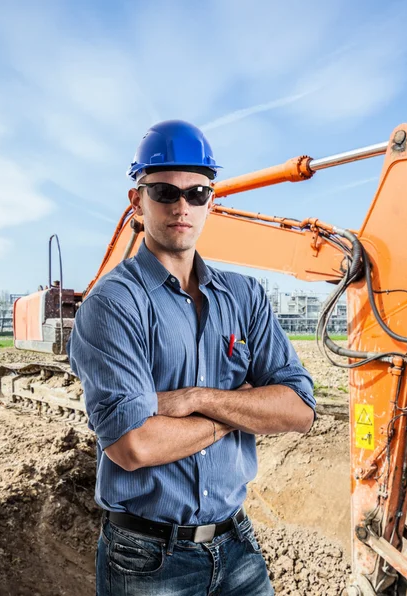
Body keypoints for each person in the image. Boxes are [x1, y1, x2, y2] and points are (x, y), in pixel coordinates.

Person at [67, 120, 315, 596]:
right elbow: (133, 444)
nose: (182, 206)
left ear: (211, 201)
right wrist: (234, 414)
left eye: (197, 192)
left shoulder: (245, 297)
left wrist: (197, 398)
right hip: (146, 560)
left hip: (236, 546)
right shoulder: (114, 304)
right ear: (137, 201)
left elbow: (299, 410)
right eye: (163, 191)